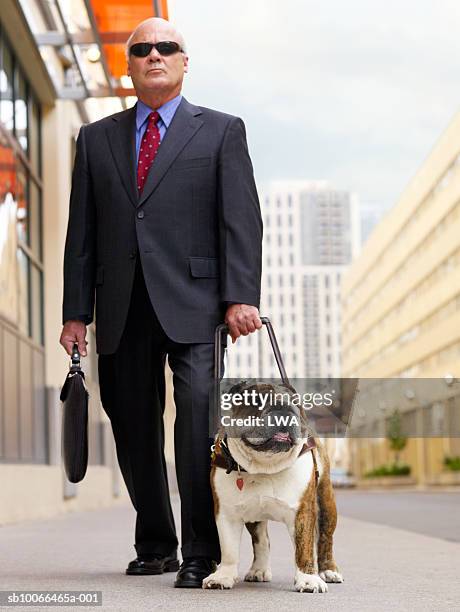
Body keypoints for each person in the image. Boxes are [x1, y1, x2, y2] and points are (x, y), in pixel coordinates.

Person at [59, 17, 262, 588]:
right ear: (129, 64)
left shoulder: (221, 131)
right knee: (132, 425)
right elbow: (82, 233)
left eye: (165, 47)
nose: (154, 55)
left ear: (183, 61)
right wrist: (76, 312)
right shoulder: (95, 139)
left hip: (196, 302)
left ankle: (202, 550)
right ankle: (155, 541)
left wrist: (240, 296)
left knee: (198, 420)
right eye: (142, 48)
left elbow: (241, 220)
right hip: (121, 302)